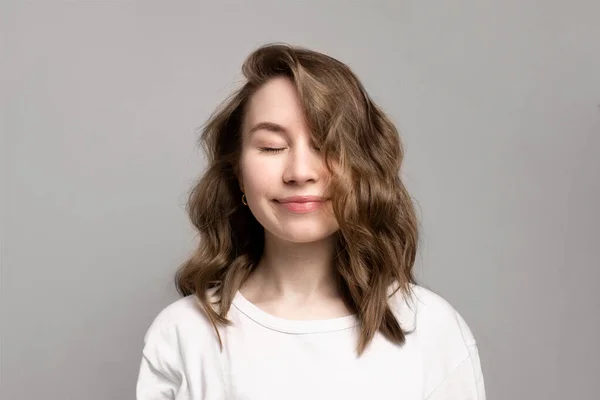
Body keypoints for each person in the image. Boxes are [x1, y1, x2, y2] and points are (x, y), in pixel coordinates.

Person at [136, 43, 486, 400]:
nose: (301, 172)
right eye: (272, 147)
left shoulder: (431, 329)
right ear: (238, 172)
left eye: (327, 144)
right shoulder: (184, 333)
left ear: (364, 166)